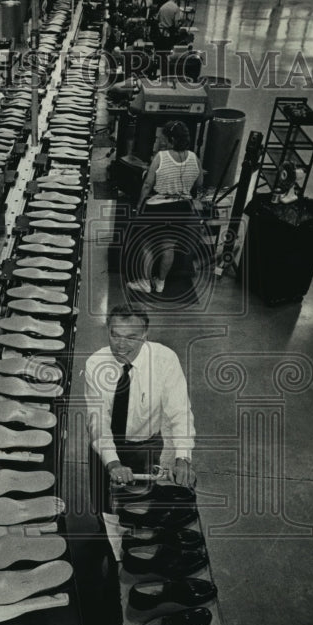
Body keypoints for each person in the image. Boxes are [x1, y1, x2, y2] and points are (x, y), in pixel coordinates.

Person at [84, 305, 196, 518]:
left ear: (145, 335)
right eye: (115, 335)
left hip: (144, 447)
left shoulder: (165, 360)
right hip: (104, 445)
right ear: (107, 329)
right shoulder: (95, 364)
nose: (121, 345)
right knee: (102, 505)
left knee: (137, 506)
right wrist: (113, 462)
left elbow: (180, 411)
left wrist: (183, 458)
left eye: (131, 337)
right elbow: (98, 421)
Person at [126, 120, 202, 294]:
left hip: (159, 208)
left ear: (172, 140)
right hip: (183, 208)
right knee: (168, 246)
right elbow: (199, 183)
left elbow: (147, 185)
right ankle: (160, 283)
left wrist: (139, 205)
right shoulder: (194, 158)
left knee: (147, 244)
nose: (162, 141)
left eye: (164, 138)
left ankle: (145, 282)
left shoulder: (161, 157)